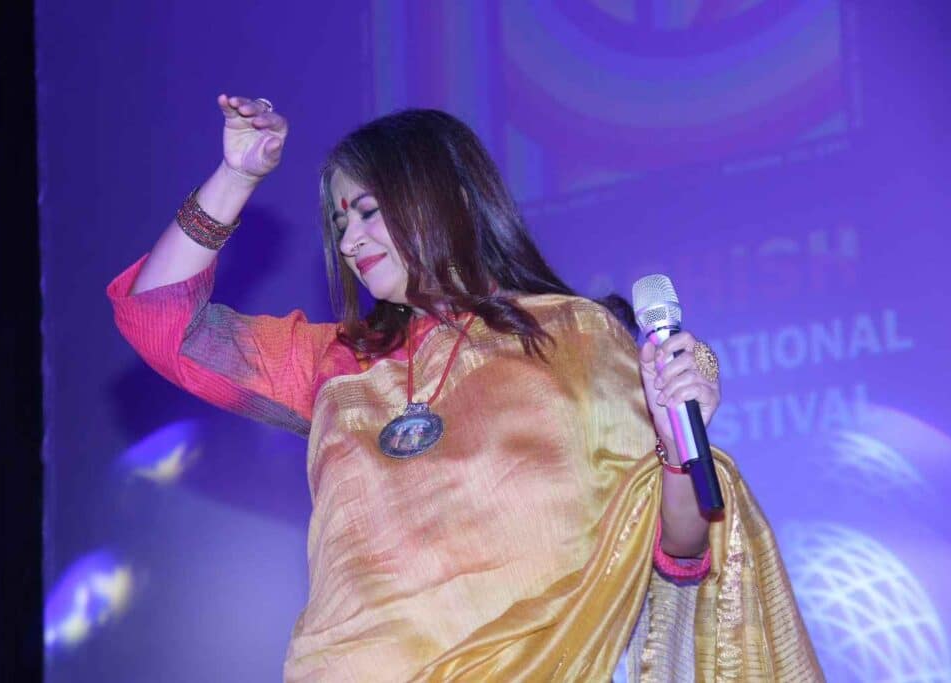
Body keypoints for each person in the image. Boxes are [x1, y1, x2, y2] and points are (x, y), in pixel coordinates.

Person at [108, 94, 822, 681]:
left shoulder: (575, 338)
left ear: (443, 197)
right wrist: (237, 175)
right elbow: (158, 321)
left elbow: (676, 551)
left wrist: (674, 456)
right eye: (338, 221)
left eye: (367, 210)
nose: (350, 240)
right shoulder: (337, 364)